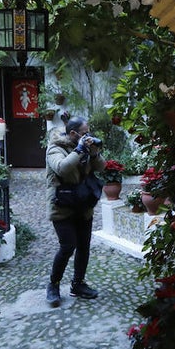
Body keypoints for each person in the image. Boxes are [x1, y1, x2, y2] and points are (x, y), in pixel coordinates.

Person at [44, 116, 105, 306]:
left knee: (84, 247)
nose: (88, 136)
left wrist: (94, 153)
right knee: (68, 246)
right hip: (62, 206)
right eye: (84, 133)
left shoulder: (86, 149)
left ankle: (78, 284)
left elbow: (102, 167)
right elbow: (62, 168)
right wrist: (79, 150)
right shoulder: (55, 148)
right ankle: (53, 285)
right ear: (73, 134)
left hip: (83, 203)